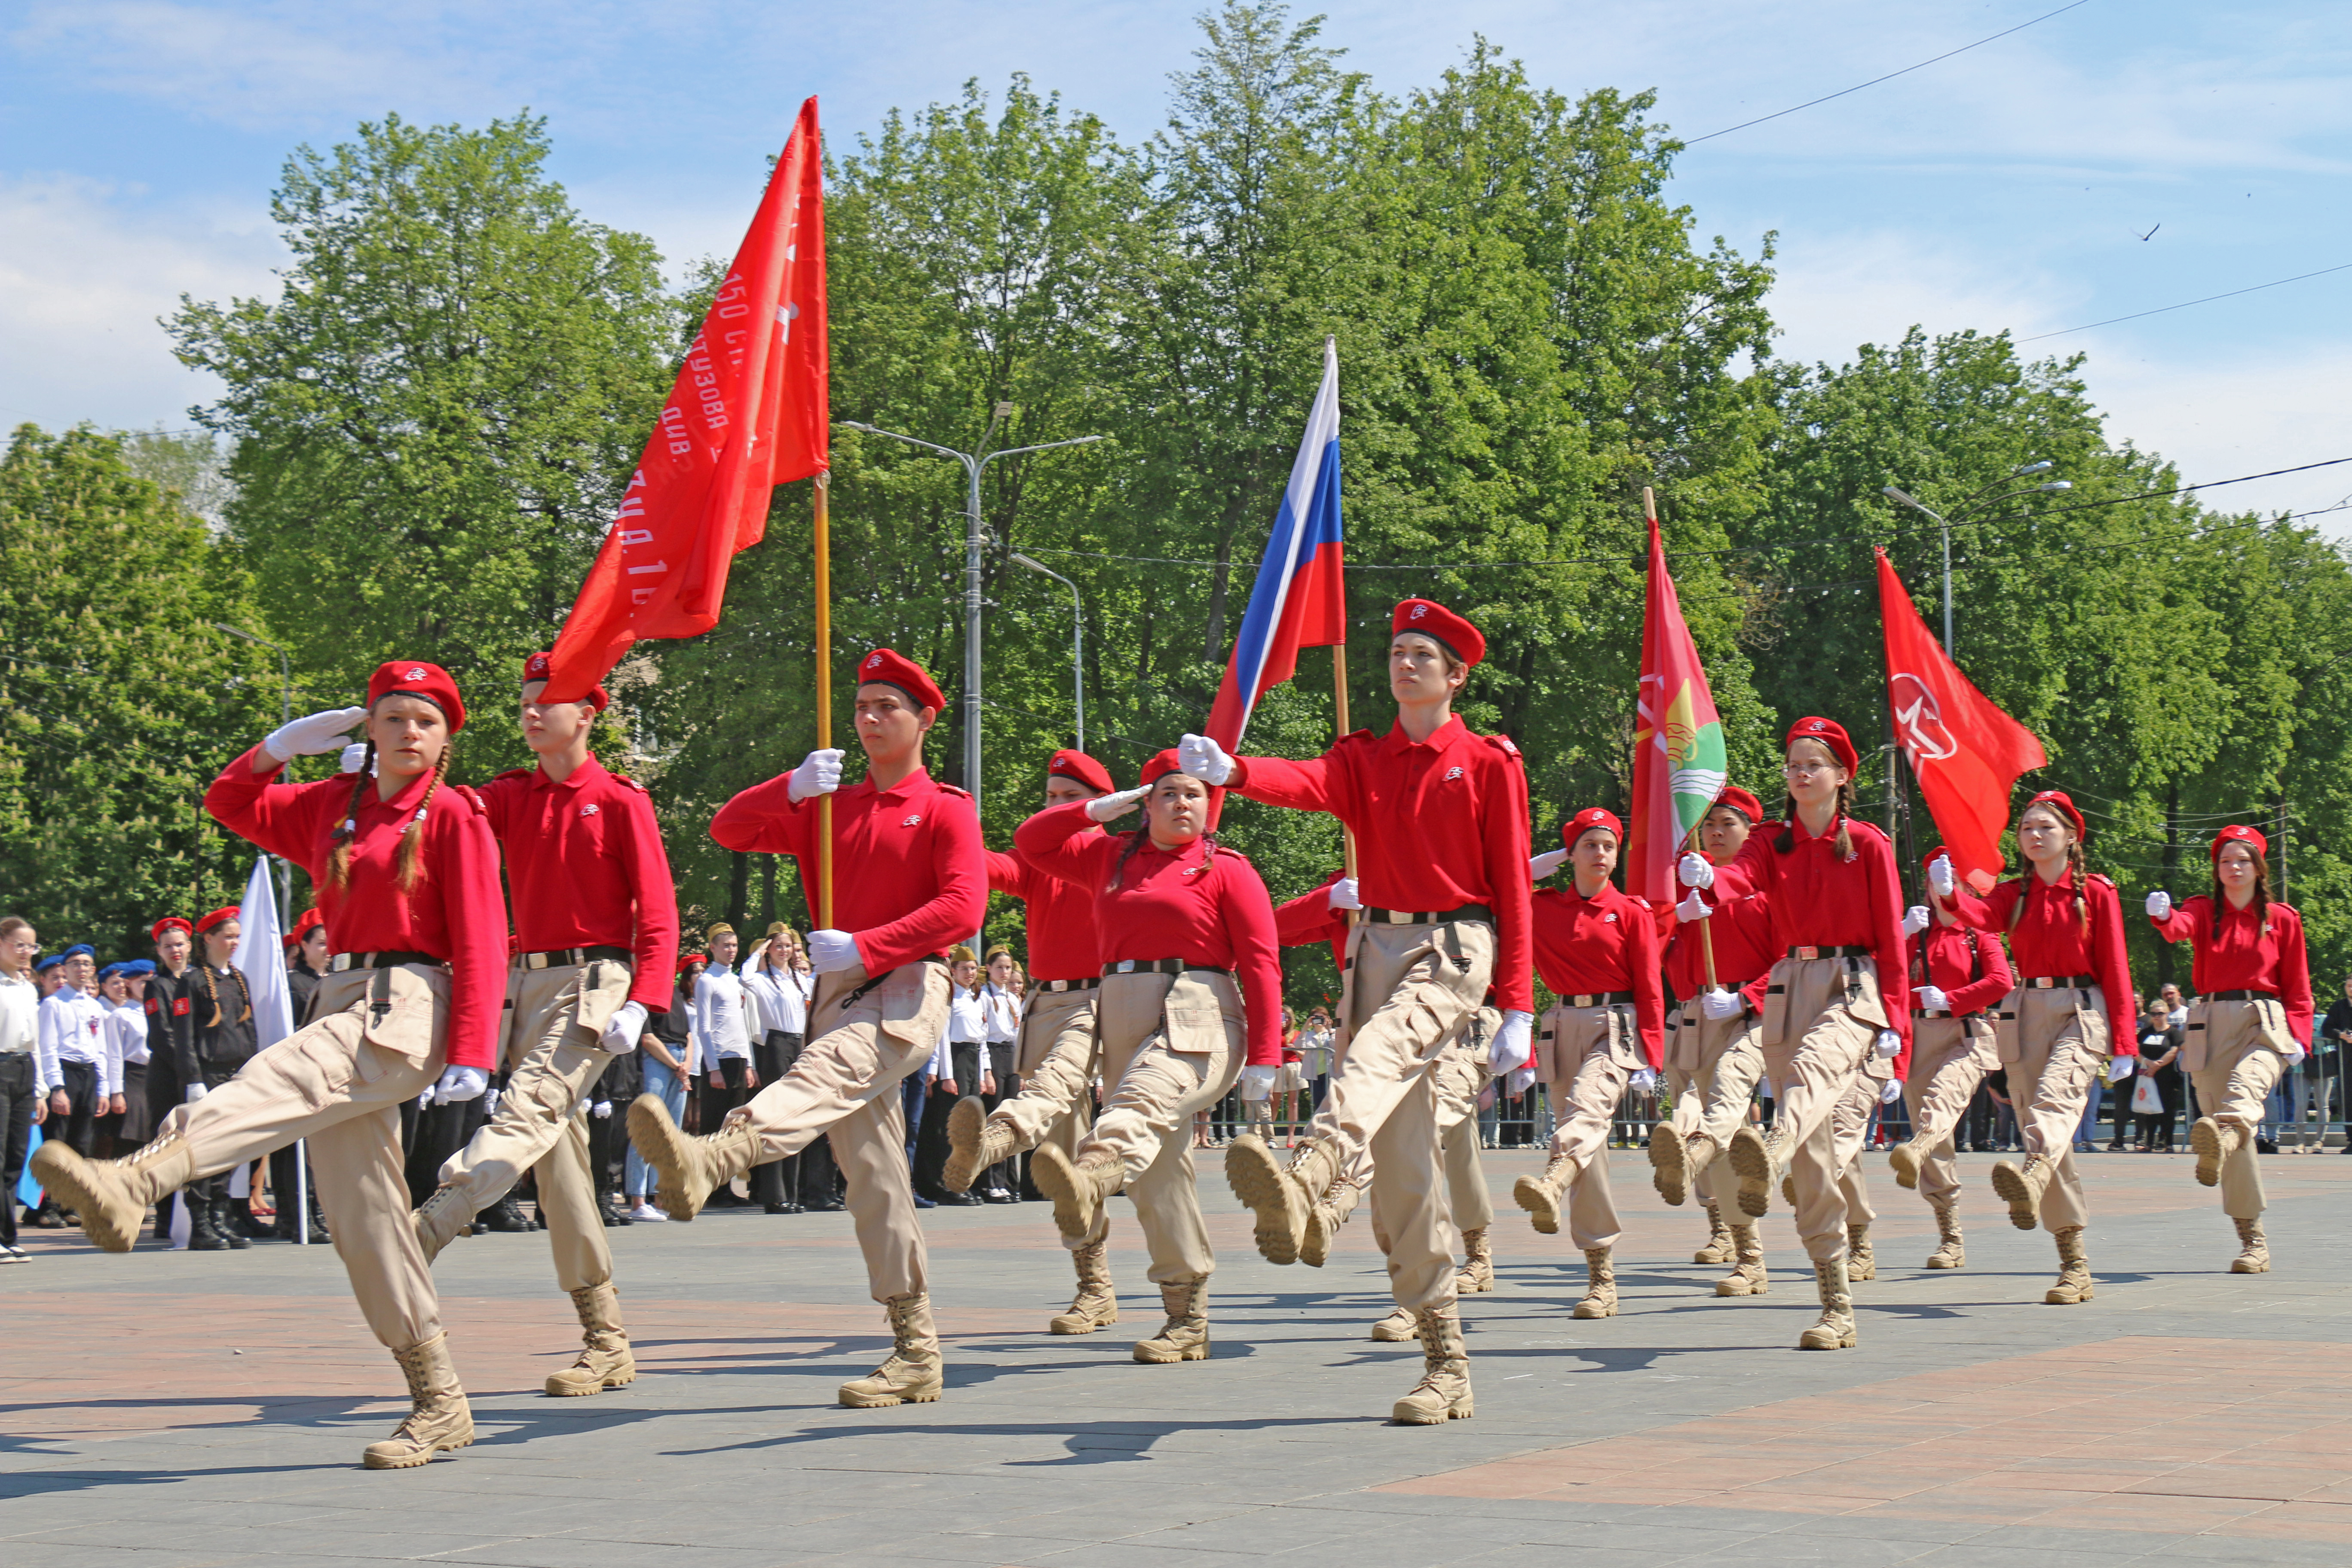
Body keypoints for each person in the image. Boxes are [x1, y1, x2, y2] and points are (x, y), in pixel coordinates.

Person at [34, 663, 504, 1467]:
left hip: (407, 1000)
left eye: (425, 721)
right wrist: (277, 748)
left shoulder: (455, 813)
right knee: (366, 1218)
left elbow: (483, 936)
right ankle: (440, 1399)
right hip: (344, 993)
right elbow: (228, 802)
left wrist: (473, 1049)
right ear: (370, 726)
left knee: (274, 1078)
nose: (408, 732)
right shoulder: (335, 805)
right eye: (392, 717)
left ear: (446, 738)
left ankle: (136, 1180)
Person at [1179, 598, 1532, 1426]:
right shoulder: (1364, 757)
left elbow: (1513, 885)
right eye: (1397, 650)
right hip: (1375, 945)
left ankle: (1310, 1171)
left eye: (1423, 654)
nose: (1404, 663)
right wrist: (1234, 770)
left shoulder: (1486, 761)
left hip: (1451, 944)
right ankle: (1447, 1363)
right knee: (1406, 1179)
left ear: (1456, 676)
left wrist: (1517, 1001)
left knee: (1369, 1058)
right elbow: (1307, 781)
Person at [634, 648, 983, 1408]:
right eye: (860, 705)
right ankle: (915, 1346)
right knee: (875, 1178)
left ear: (925, 718)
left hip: (901, 985)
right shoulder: (829, 806)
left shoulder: (947, 807)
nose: (868, 719)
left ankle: (719, 1153)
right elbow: (729, 827)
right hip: (835, 991)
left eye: (886, 705)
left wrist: (870, 943)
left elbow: (964, 909)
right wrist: (788, 786)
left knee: (823, 1075)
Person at [411, 651, 680, 1398]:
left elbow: (657, 912)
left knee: (529, 1102)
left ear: (587, 715)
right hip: (524, 982)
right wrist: (384, 767)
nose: (530, 711)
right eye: (524, 700)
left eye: (546, 701)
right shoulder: (509, 796)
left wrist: (644, 998)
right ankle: (607, 1338)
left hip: (594, 980)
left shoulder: (621, 799)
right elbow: (441, 808)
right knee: (559, 1166)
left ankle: (436, 1217)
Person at [1014, 750, 1280, 1367]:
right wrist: (1093, 810)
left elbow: (1262, 963)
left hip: (1198, 1002)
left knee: (1139, 1105)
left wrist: (1266, 1056)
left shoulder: (1227, 869)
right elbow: (1032, 842)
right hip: (1121, 1003)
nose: (1182, 804)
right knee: (1159, 1170)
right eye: (1167, 794)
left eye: (1193, 794)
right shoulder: (1109, 858)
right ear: (1145, 805)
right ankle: (1186, 1316)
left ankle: (1094, 1174)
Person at [1676, 717, 1909, 1351]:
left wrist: (1899, 1032)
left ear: (1842, 776)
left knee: (1812, 1073)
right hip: (1787, 986)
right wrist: (1709, 881)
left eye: (1815, 763)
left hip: (1850, 984)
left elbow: (1892, 940)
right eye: (1793, 764)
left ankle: (1771, 1148)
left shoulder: (1868, 844)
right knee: (1813, 1165)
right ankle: (1837, 1305)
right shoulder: (1771, 843)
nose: (1802, 774)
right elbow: (1740, 879)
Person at [1274, 869, 1501, 1336]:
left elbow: (1511, 922)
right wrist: (1330, 899)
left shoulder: (1443, 862)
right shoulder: (1355, 887)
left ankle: (1469, 1254)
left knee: (1432, 1139)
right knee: (1413, 1147)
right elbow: (1274, 926)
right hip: (1380, 1035)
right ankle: (1418, 1292)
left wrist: (1519, 1014)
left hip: (1455, 1023)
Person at [948, 748, 1127, 1333]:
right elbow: (981, 863)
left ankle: (994, 1141)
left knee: (1127, 1155)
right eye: (1048, 797)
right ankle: (1094, 1287)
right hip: (1049, 1003)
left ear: (1096, 806)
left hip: (1104, 1000)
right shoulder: (1038, 863)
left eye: (1066, 798)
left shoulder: (1114, 856)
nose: (1053, 806)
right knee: (1061, 1158)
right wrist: (940, 822)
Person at [1935, 789, 2134, 1305]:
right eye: (2027, 829)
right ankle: (2074, 1263)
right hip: (2025, 1013)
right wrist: (1950, 896)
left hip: (2080, 1008)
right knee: (2051, 1139)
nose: (2035, 835)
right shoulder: (2015, 893)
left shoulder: (2096, 893)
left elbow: (2115, 967)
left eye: (2047, 827)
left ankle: (2033, 1174)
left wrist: (2125, 1040)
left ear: (2071, 836)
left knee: (2054, 1101)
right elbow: (1980, 918)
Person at [1513, 808, 1664, 1321]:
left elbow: (1650, 988)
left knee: (1586, 1111)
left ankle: (1552, 1181)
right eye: (1590, 845)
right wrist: (1539, 865)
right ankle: (1602, 1275)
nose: (1601, 855)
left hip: (1614, 1024)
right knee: (1588, 1153)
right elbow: (1495, 894)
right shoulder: (1543, 907)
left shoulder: (1631, 912)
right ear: (1571, 853)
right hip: (1561, 1025)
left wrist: (1651, 1056)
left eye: (1609, 846)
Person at [2146, 823, 2312, 1273]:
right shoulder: (2203, 910)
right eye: (2225, 861)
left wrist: (2300, 1035)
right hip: (2211, 1023)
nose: (2234, 868)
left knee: (2242, 1094)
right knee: (2231, 1134)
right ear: (2216, 869)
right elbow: (2178, 928)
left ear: (2259, 868)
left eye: (2243, 861)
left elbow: (2298, 986)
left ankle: (2219, 1140)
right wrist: (2163, 915)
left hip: (2264, 1020)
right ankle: (2252, 1242)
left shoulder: (2282, 918)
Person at [1646, 785, 1777, 1297]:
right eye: (1711, 825)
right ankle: (1722, 1228)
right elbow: (1643, 950)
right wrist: (1674, 919)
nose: (1717, 833)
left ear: (1749, 835)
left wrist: (1747, 999)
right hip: (1693, 1015)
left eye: (1728, 824)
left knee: (1720, 1113)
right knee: (1700, 1122)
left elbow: (1789, 964)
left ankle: (1750, 1258)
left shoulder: (1764, 895)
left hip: (1744, 1015)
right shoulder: (1684, 891)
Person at [1883, 851, 2015, 1271]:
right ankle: (1950, 1237)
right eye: (1934, 880)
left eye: (1951, 879)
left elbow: (2001, 981)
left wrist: (1954, 999)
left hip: (1965, 1033)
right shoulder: (1913, 930)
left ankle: (1917, 1146)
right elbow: (1884, 978)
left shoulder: (1977, 931)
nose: (1940, 887)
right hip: (1918, 1037)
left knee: (1941, 1101)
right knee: (1936, 1134)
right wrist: (1901, 936)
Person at [180, 909, 270, 1249]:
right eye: (228, 937)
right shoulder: (192, 981)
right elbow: (184, 1036)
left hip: (236, 1076)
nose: (234, 943)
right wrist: (193, 1079)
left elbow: (249, 1031)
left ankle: (220, 1219)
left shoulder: (237, 979)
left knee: (229, 1152)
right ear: (208, 939)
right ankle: (201, 1225)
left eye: (237, 937)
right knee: (205, 1152)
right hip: (208, 1074)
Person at [743, 925, 824, 1212]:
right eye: (778, 946)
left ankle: (792, 1192)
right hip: (776, 1045)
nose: (784, 951)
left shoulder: (799, 980)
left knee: (798, 1119)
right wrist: (761, 951)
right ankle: (774, 1195)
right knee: (777, 1119)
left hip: (798, 1044)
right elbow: (745, 977)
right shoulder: (763, 979)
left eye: (788, 946)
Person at [32, 944, 109, 1230]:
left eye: (86, 964)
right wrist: (57, 1087)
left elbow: (100, 1049)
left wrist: (103, 1088)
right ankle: (49, 1205)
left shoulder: (95, 1006)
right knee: (57, 1142)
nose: (81, 969)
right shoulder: (54, 1004)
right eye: (75, 964)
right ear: (65, 970)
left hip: (88, 1074)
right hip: (65, 1072)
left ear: (92, 970)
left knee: (81, 1143)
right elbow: (48, 1048)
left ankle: (73, 1203)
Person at [271, 907, 333, 1243]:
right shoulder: (294, 984)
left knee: (318, 1149)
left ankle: (317, 1211)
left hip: (327, 1075)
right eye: (321, 943)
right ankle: (295, 1214)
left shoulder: (334, 980)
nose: (328, 948)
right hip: (298, 1074)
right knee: (294, 1149)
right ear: (304, 946)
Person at [627, 954, 701, 1220]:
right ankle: (638, 1199)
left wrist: (687, 1065)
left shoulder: (676, 995)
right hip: (660, 1060)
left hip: (681, 1059)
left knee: (672, 1134)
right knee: (647, 1129)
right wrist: (676, 1065)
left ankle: (662, 1197)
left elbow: (689, 1035)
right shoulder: (645, 993)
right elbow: (648, 1038)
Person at [915, 948, 990, 1205]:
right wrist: (947, 1075)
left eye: (972, 968)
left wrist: (983, 1074)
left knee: (970, 1127)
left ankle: (965, 1182)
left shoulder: (978, 998)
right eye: (964, 969)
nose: (969, 974)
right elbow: (943, 1038)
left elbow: (982, 1041)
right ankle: (946, 1185)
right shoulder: (949, 997)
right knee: (951, 1126)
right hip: (955, 1061)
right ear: (953, 971)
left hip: (972, 1059)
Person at [690, 923, 757, 1204]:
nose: (731, 951)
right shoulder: (708, 980)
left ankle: (728, 1184)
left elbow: (743, 1023)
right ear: (713, 948)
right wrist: (713, 1066)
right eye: (725, 946)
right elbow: (704, 1027)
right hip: (719, 1058)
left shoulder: (736, 980)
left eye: (734, 946)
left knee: (733, 1126)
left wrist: (750, 1063)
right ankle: (711, 1188)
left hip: (739, 1056)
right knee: (713, 1126)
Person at [0, 916, 40, 1262]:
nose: (26, 952)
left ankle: (8, 1235)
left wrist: (40, 1088)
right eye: (19, 944)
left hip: (25, 1069)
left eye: (32, 946)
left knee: (16, 1157)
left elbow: (35, 1041)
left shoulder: (28, 986)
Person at [2131, 997, 2184, 1151]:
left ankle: (2169, 1143)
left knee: (2167, 1109)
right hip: (2147, 1076)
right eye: (2154, 1013)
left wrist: (2156, 1066)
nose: (2157, 1016)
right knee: (2149, 1109)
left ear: (2167, 1014)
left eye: (2160, 1013)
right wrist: (2148, 1063)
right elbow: (2135, 1052)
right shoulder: (2145, 1033)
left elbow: (2174, 1051)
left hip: (2166, 1076)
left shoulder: (2173, 1032)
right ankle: (2149, 1143)